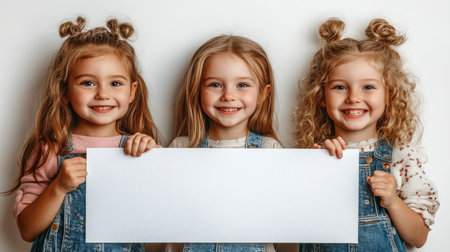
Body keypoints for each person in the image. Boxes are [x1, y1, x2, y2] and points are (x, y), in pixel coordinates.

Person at [7, 16, 158, 251]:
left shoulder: (142, 151)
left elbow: (160, 216)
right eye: (88, 83)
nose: (102, 94)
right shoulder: (50, 150)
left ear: (132, 91)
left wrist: (151, 157)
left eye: (115, 83)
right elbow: (27, 230)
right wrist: (58, 187)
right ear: (65, 90)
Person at [294, 18, 439, 251]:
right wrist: (311, 174)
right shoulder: (314, 154)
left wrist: (392, 201)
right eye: (340, 87)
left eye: (368, 87)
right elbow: (292, 235)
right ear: (321, 97)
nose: (353, 97)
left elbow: (418, 238)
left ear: (389, 95)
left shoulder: (401, 156)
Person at [169, 35, 297, 252]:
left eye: (242, 85)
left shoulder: (271, 151)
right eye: (215, 84)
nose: (228, 95)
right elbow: (165, 221)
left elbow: (288, 226)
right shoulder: (180, 150)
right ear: (197, 90)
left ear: (263, 94)